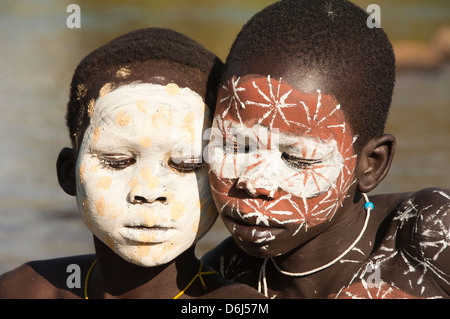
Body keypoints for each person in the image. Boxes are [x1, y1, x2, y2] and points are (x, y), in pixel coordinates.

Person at [202, 0, 450, 299]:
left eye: (296, 158)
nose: (255, 183)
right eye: (236, 146)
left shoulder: (430, 232)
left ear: (371, 165)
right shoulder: (218, 279)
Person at [0, 28, 265, 299]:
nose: (149, 192)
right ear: (69, 173)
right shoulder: (21, 290)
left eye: (186, 165)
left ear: (221, 174)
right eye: (119, 162)